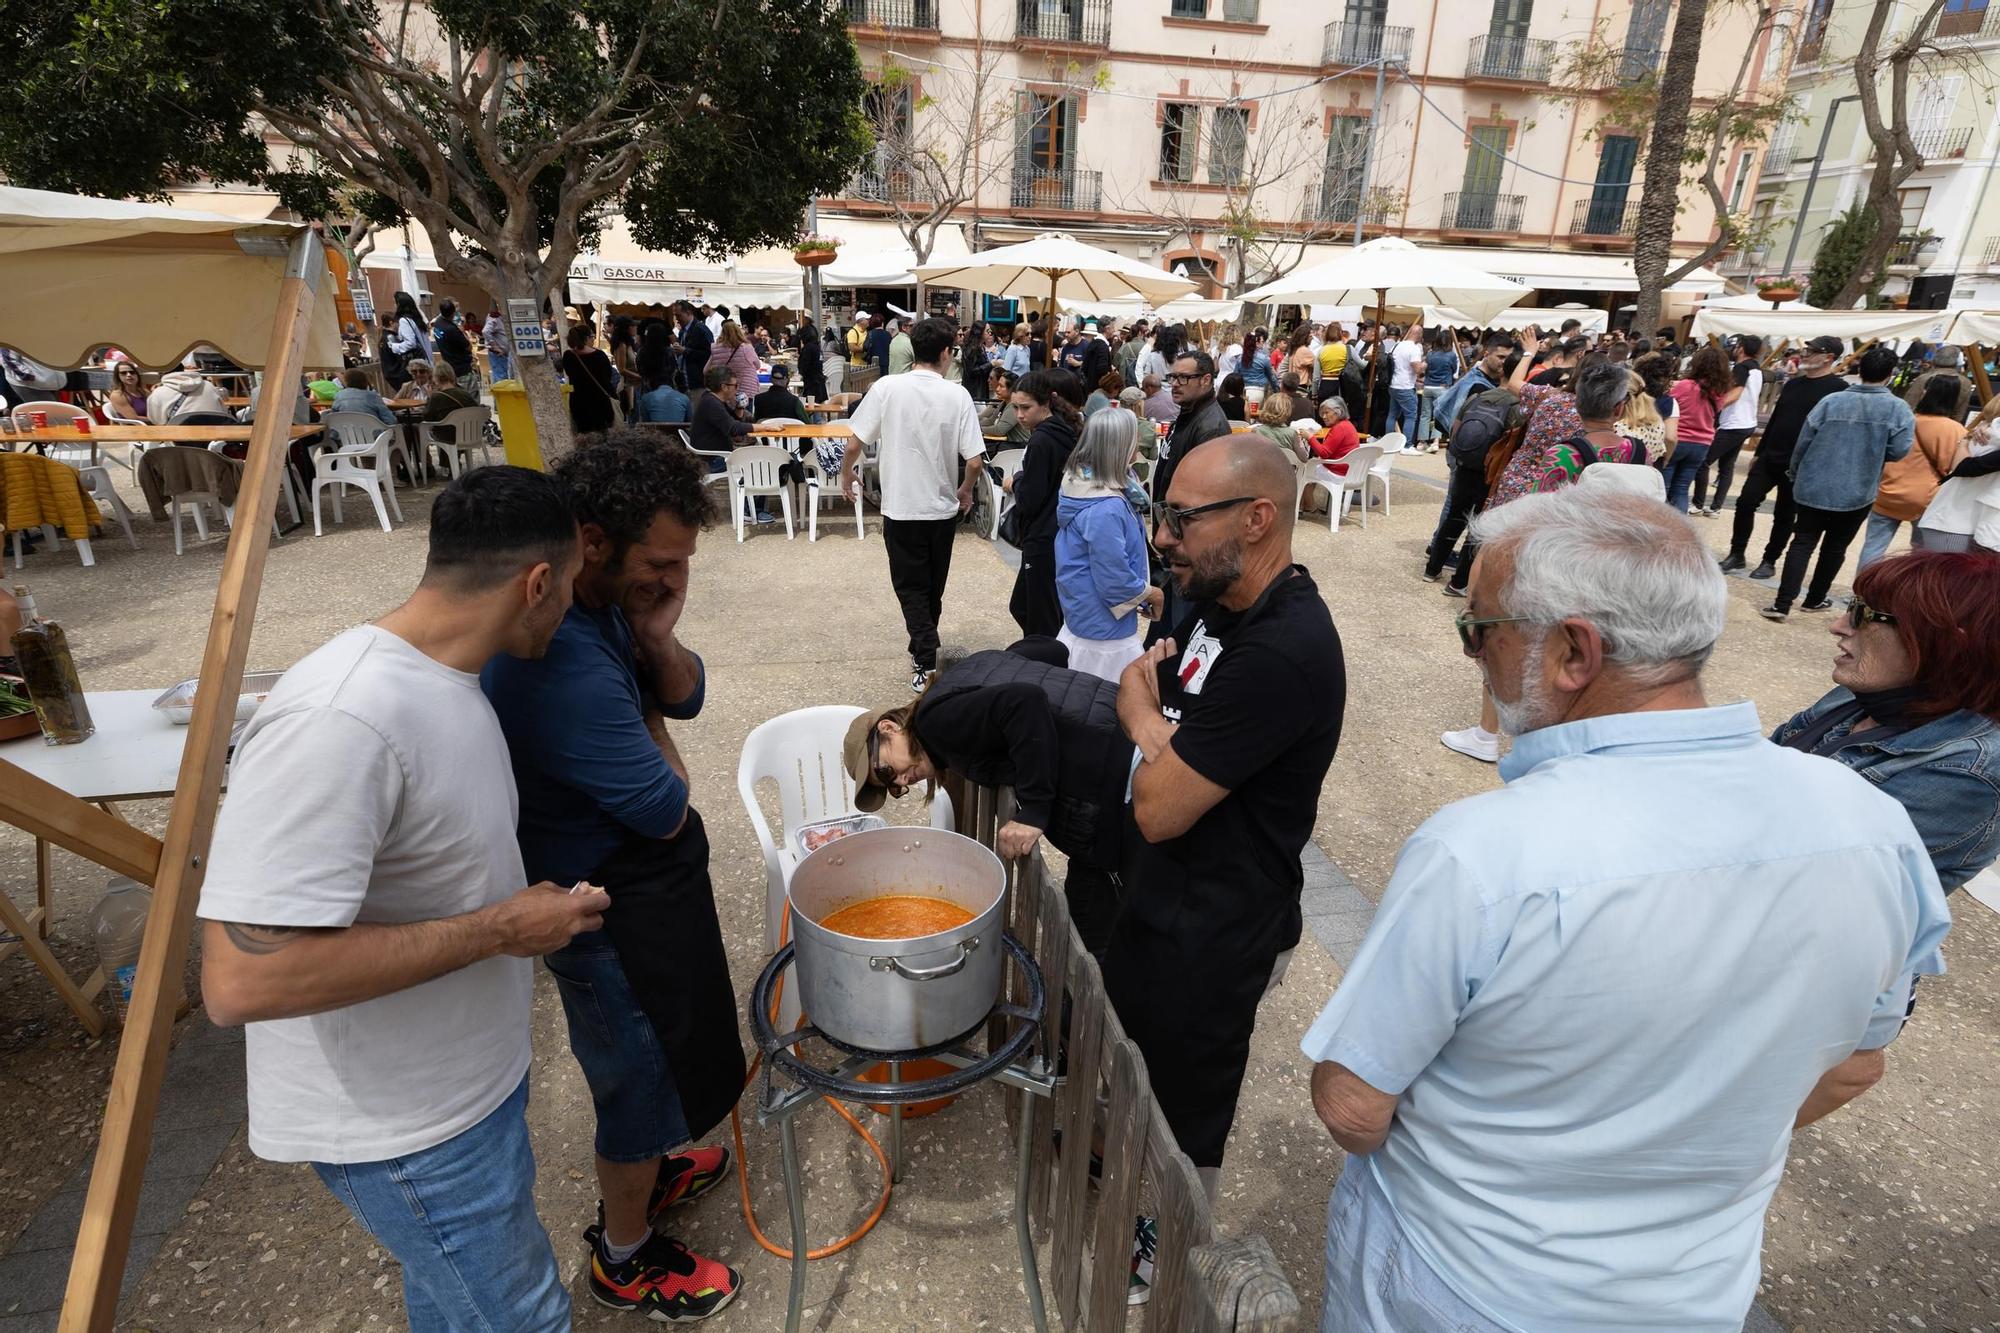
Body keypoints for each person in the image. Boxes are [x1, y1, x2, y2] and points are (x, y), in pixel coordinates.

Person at [1304, 488, 1949, 1333]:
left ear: (1575, 650)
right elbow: (1859, 1062)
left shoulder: (1487, 851)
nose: (1472, 657)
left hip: (1466, 1280)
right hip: (1692, 1294)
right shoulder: (1873, 823)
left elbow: (1354, 1104)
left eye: (1479, 630)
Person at [198, 466, 600, 1333]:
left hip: (460, 1094)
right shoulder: (342, 717)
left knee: (456, 1307)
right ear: (537, 585)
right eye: (567, 589)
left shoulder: (446, 678)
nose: (568, 611)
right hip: (408, 1131)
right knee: (521, 1317)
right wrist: (502, 926)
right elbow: (241, 980)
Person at [481, 434, 744, 1323]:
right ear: (592, 540)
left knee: (671, 1053)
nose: (674, 579)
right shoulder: (559, 662)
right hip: (601, 905)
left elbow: (690, 691)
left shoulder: (602, 605)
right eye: (661, 563)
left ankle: (654, 1166)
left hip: (645, 884)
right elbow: (666, 803)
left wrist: (656, 634)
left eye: (683, 563)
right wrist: (650, 711)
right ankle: (624, 1255)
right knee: (635, 1072)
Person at [1110, 434, 1344, 1249]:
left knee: (1187, 1108)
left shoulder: (1284, 648)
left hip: (1218, 927)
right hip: (1164, 900)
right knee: (1135, 1070)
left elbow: (1160, 805)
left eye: (1179, 519)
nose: (1161, 538)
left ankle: (1170, 1244)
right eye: (1158, 513)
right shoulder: (1214, 599)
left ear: (1257, 519)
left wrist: (1138, 718)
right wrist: (1161, 725)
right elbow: (1166, 673)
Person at [845, 646, 1136, 954]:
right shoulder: (958, 681)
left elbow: (1025, 703)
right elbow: (1050, 650)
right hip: (1120, 730)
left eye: (887, 770)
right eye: (892, 786)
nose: (902, 780)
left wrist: (1034, 812)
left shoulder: (935, 722)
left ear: (888, 727)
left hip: (1116, 772)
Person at [1772, 549, 2000, 891]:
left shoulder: (1965, 775)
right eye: (1850, 605)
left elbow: (1802, 877)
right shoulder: (1867, 694)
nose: (1837, 625)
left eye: (1863, 614)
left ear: (1947, 643)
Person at [840, 317, 986, 691]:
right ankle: (923, 648)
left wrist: (845, 473)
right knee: (931, 587)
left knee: (910, 588)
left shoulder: (887, 387)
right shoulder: (958, 394)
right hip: (940, 508)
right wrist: (966, 490)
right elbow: (973, 461)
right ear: (945, 353)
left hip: (902, 507)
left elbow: (855, 441)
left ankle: (925, 655)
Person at [1764, 345, 1914, 621]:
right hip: (1858, 488)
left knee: (1802, 543)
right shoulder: (1897, 409)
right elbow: (1899, 450)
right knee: (1835, 547)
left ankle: (1782, 603)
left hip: (1813, 483)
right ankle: (1814, 598)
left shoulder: (1832, 401)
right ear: (1890, 374)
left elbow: (1803, 442)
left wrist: (1796, 473)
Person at [1721, 336, 1847, 579]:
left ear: (1829, 357)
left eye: (1812, 350)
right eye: (1806, 349)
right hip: (1771, 456)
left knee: (1785, 514)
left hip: (1801, 464)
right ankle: (1737, 553)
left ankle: (1770, 560)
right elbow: (1777, 420)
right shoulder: (1793, 385)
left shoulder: (1838, 390)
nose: (1806, 354)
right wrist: (1759, 452)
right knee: (1746, 501)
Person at [1055, 408, 1159, 682]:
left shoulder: (1085, 485)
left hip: (1085, 612)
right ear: (1119, 445)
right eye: (1133, 437)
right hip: (1104, 632)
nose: (1138, 443)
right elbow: (1113, 578)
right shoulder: (1106, 507)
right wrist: (1151, 594)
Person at [1422, 363, 1521, 584]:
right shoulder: (1517, 407)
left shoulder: (1478, 396)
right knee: (1479, 524)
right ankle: (1459, 582)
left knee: (1454, 517)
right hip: (1491, 472)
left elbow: (1455, 430)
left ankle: (1432, 569)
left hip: (1465, 465)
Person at [1861, 373, 1969, 567]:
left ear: (1925, 393)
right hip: (1925, 500)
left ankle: (1860, 593)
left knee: (1874, 547)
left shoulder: (1905, 418)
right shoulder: (1955, 430)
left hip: (1886, 492)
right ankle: (1906, 594)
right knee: (1919, 554)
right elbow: (1951, 468)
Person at [1003, 369, 1080, 638]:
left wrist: (1016, 481)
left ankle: (1046, 667)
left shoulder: (1042, 439)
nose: (1020, 415)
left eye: (1026, 407)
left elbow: (1030, 498)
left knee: (1038, 615)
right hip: (1056, 530)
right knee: (1029, 607)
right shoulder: (1064, 430)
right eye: (1015, 408)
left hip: (1042, 533)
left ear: (1045, 403)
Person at [1915, 398, 2000, 552]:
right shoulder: (1991, 435)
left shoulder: (1988, 432)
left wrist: (1966, 440)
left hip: (1954, 520)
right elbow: (1963, 468)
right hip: (1956, 523)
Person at [1694, 334, 1761, 516]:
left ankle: (1698, 503)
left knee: (1703, 461)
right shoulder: (1757, 369)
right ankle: (1716, 507)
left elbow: (1735, 394)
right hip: (1747, 422)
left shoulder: (1741, 368)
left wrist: (1714, 406)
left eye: (1737, 345)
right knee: (1727, 466)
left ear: (1741, 348)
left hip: (1733, 423)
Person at [1152, 350, 1230, 503]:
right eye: (1173, 377)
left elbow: (1204, 495)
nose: (1174, 384)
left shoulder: (1211, 429)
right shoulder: (1187, 414)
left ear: (1205, 380)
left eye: (1183, 378)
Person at [1665, 344, 1731, 513]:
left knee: (1664, 488)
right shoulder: (1720, 391)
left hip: (1678, 440)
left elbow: (1669, 406)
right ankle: (1680, 528)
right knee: (1681, 489)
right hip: (1702, 444)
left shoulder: (1685, 386)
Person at [560, 326, 618, 436]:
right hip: (601, 403)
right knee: (604, 437)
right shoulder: (600, 355)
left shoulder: (568, 356)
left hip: (579, 403)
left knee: (585, 437)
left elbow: (569, 373)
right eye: (592, 337)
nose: (593, 339)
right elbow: (608, 376)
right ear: (586, 338)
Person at [147, 358, 232, 424]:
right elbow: (223, 410)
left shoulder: (158, 393)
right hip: (214, 436)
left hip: (178, 441)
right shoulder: (208, 385)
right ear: (183, 370)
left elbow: (157, 421)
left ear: (161, 374)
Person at [1903, 343, 1973, 422]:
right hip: (1947, 426)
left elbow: (1909, 405)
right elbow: (1960, 412)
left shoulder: (1923, 378)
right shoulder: (1966, 383)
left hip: (1918, 423)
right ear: (1958, 361)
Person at [1418, 329, 1459, 450]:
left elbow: (1426, 369)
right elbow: (1454, 369)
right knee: (1438, 415)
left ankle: (1422, 441)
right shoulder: (1451, 355)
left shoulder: (1430, 354)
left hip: (1428, 386)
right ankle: (1435, 441)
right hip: (1442, 387)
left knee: (1425, 415)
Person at [711, 321, 761, 414]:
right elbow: (757, 365)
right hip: (746, 389)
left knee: (727, 417)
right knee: (745, 416)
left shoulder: (715, 348)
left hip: (725, 388)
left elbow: (706, 370)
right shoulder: (746, 347)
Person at [1386, 325, 1425, 443]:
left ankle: (1388, 442)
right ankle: (1407, 445)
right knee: (1411, 415)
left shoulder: (1398, 345)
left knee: (1392, 415)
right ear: (1418, 334)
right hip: (1405, 386)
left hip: (1393, 384)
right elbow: (1417, 369)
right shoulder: (1414, 348)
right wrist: (1424, 365)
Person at [431, 299, 479, 395]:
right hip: (462, 370)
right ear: (453, 313)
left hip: (449, 368)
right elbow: (469, 347)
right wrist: (462, 330)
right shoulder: (452, 329)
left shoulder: (437, 324)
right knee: (470, 398)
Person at [1249, 390, 1307, 460]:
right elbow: (1303, 458)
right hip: (1285, 470)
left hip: (1262, 469)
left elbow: (1251, 455)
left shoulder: (1256, 431)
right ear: (1287, 411)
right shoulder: (1292, 434)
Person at [331, 367, 398, 426]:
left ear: (346, 382)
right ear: (365, 382)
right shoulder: (373, 396)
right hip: (375, 437)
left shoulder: (339, 396)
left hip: (347, 437)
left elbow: (334, 419)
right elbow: (391, 420)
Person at [980, 367, 1029, 445]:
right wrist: (974, 425)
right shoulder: (1004, 403)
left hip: (1019, 447)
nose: (997, 389)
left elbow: (999, 430)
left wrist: (979, 429)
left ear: (1011, 389)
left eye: (1001, 386)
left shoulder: (1014, 405)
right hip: (1010, 445)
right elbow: (991, 421)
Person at [677, 300, 713, 390]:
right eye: (675, 315)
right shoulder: (682, 331)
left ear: (688, 313)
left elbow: (709, 355)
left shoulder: (701, 329)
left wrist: (685, 351)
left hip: (698, 383)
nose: (677, 319)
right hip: (685, 383)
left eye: (679, 315)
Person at [796, 318, 826, 402]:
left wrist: (801, 371)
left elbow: (804, 366)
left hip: (811, 384)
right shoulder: (816, 347)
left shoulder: (808, 348)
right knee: (817, 409)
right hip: (819, 382)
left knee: (812, 409)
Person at [483, 305, 512, 384]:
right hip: (498, 354)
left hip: (505, 354)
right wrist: (495, 347)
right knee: (501, 379)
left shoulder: (503, 319)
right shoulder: (494, 318)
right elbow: (485, 332)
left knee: (505, 378)